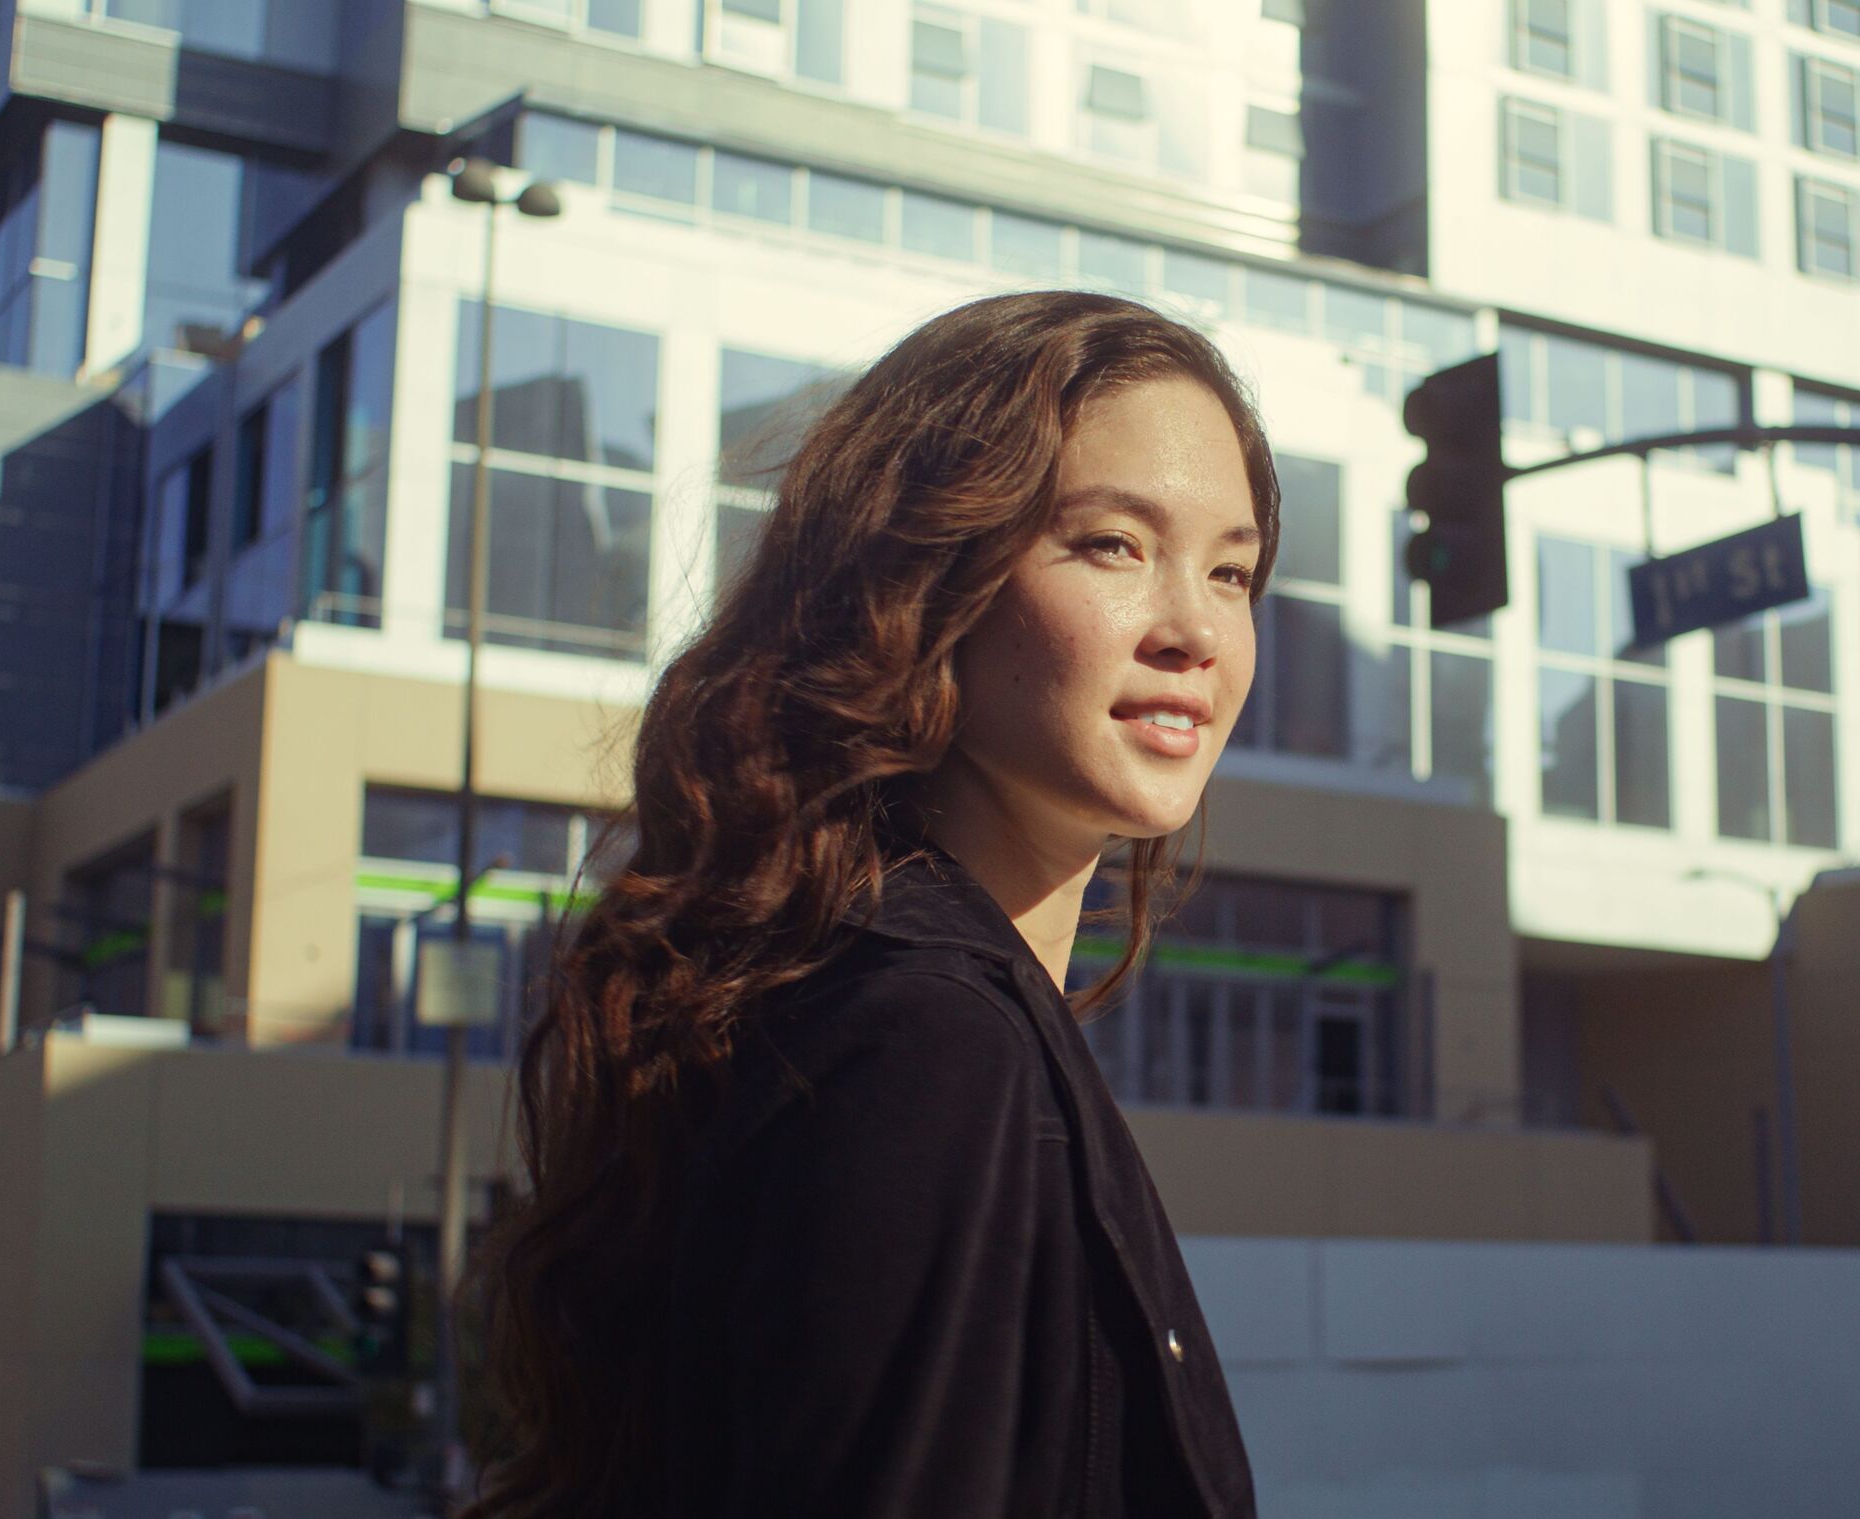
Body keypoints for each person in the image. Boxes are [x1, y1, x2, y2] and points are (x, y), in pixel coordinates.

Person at [468, 290, 1276, 1518]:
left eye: (1232, 570)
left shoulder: (870, 996)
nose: (1196, 630)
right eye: (1112, 544)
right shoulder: (930, 1041)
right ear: (928, 574)